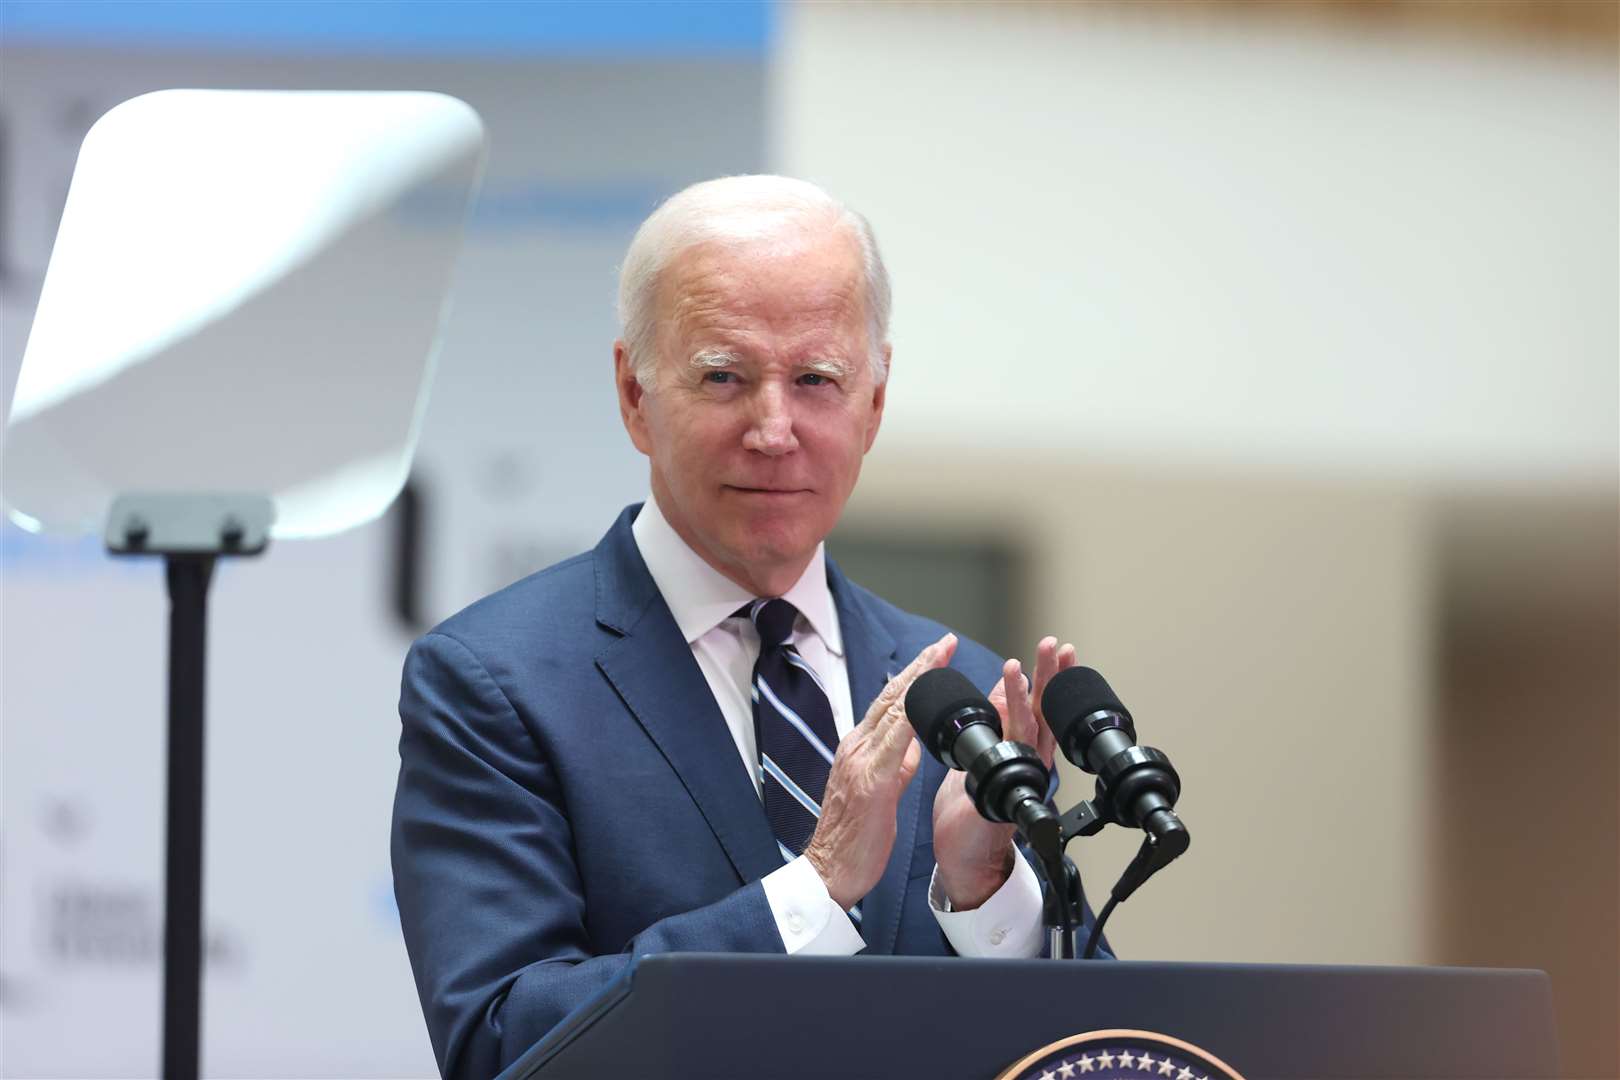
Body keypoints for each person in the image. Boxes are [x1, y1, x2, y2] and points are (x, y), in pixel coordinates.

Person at [391, 176, 1105, 1079]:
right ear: (634, 394)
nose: (774, 429)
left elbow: (1097, 1048)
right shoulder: (496, 681)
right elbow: (502, 1039)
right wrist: (812, 890)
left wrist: (984, 890)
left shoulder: (955, 688)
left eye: (817, 380)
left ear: (875, 402)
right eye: (724, 377)